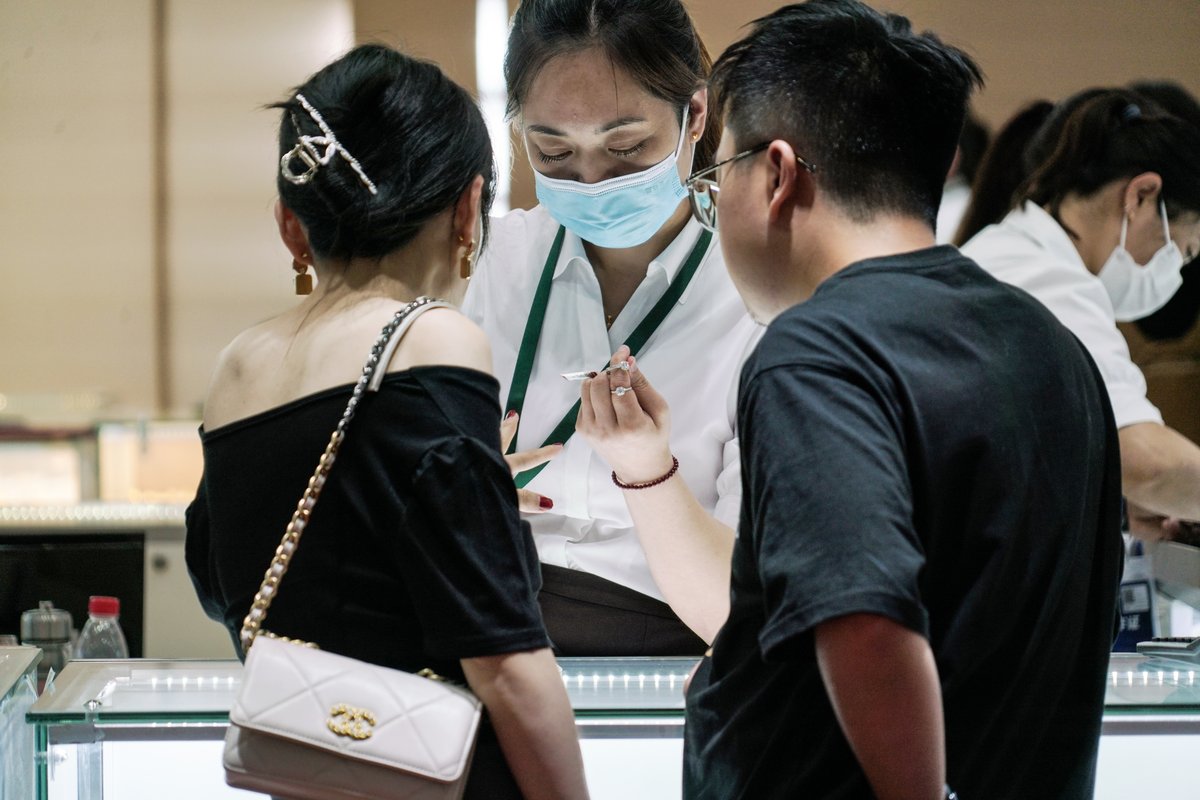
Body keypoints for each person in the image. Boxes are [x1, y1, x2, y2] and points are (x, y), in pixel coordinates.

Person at [681, 2, 1124, 798]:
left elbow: (867, 623)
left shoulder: (816, 355)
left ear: (777, 174)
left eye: (715, 180)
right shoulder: (1057, 350)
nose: (715, 217)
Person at [184, 45, 588, 800]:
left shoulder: (238, 367)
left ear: (289, 225)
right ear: (469, 208)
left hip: (306, 774)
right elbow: (505, 660)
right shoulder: (430, 339)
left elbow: (221, 585)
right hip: (440, 774)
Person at [461, 0, 760, 655]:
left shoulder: (758, 297)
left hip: (672, 668)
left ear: (696, 116)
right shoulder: (485, 264)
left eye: (626, 147)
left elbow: (741, 619)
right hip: (485, 650)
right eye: (553, 149)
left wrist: (649, 475)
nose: (592, 180)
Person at [962, 88, 1200, 540]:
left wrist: (1114, 498)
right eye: (1184, 252)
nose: (1177, 272)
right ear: (1141, 196)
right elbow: (1147, 462)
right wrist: (1151, 484)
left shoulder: (1008, 251)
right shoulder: (1048, 283)